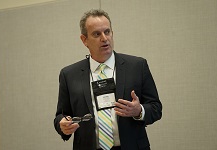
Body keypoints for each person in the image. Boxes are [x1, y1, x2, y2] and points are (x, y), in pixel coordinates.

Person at [54, 9, 162, 150]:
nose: (104, 38)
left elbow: (156, 108)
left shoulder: (137, 66)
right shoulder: (69, 74)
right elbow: (61, 115)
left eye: (107, 32)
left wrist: (139, 110)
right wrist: (62, 125)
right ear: (84, 40)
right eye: (97, 34)